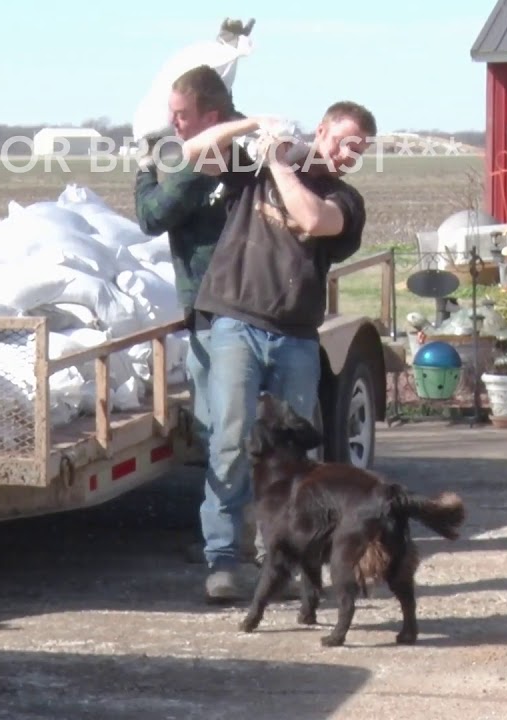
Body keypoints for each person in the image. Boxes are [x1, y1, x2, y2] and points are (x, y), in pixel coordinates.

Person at [181, 101, 377, 601]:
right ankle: (224, 561)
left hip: (295, 335)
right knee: (229, 442)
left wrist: (277, 163)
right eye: (344, 140)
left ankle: (283, 560)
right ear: (322, 129)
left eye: (360, 149)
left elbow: (311, 218)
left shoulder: (344, 199)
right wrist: (254, 126)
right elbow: (192, 152)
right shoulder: (250, 170)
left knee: (293, 456)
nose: (349, 153)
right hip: (235, 322)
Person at [132, 64, 234, 462]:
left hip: (214, 304)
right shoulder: (245, 145)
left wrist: (145, 170)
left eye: (181, 115)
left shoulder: (198, 165)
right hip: (250, 302)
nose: (172, 122)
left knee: (215, 421)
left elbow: (152, 216)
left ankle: (228, 514)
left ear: (210, 119)